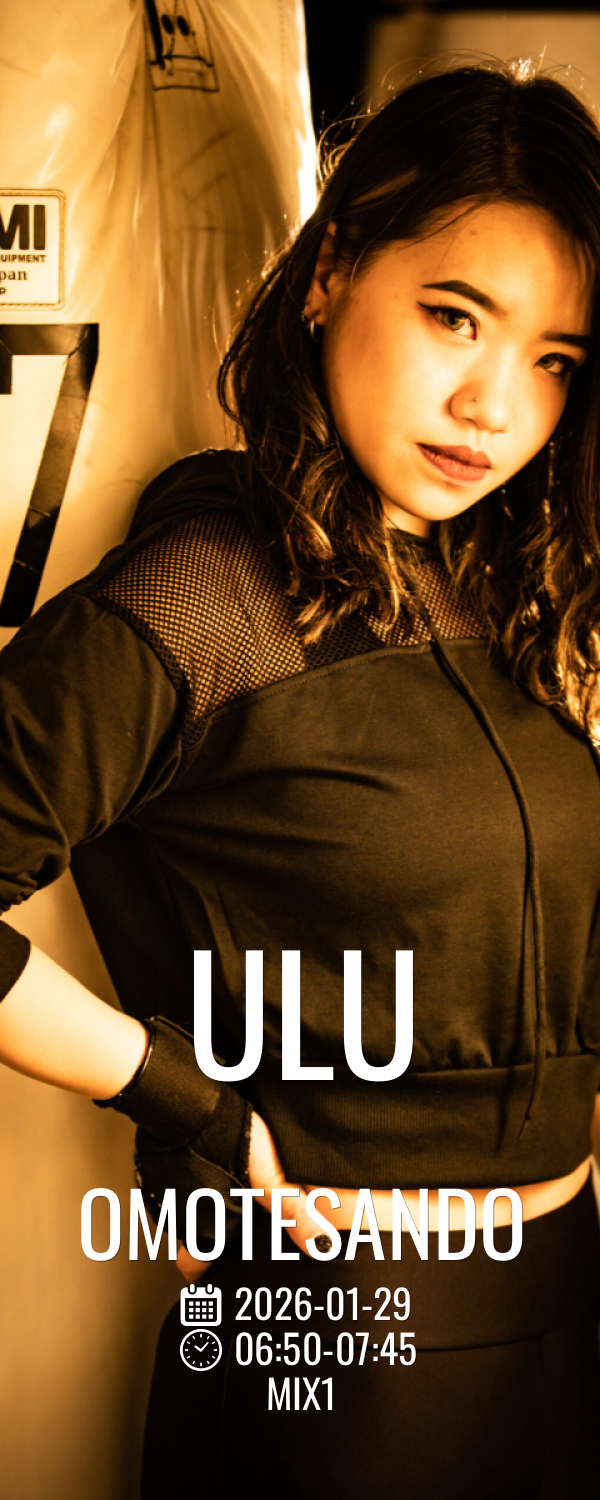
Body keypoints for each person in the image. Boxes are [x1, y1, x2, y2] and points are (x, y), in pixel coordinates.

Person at [0, 58, 600, 1498]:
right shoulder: (208, 597)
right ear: (331, 272)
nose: (493, 405)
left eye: (555, 361)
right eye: (455, 317)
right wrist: (182, 1098)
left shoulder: (522, 600)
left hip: (569, 1318)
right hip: (335, 1354)